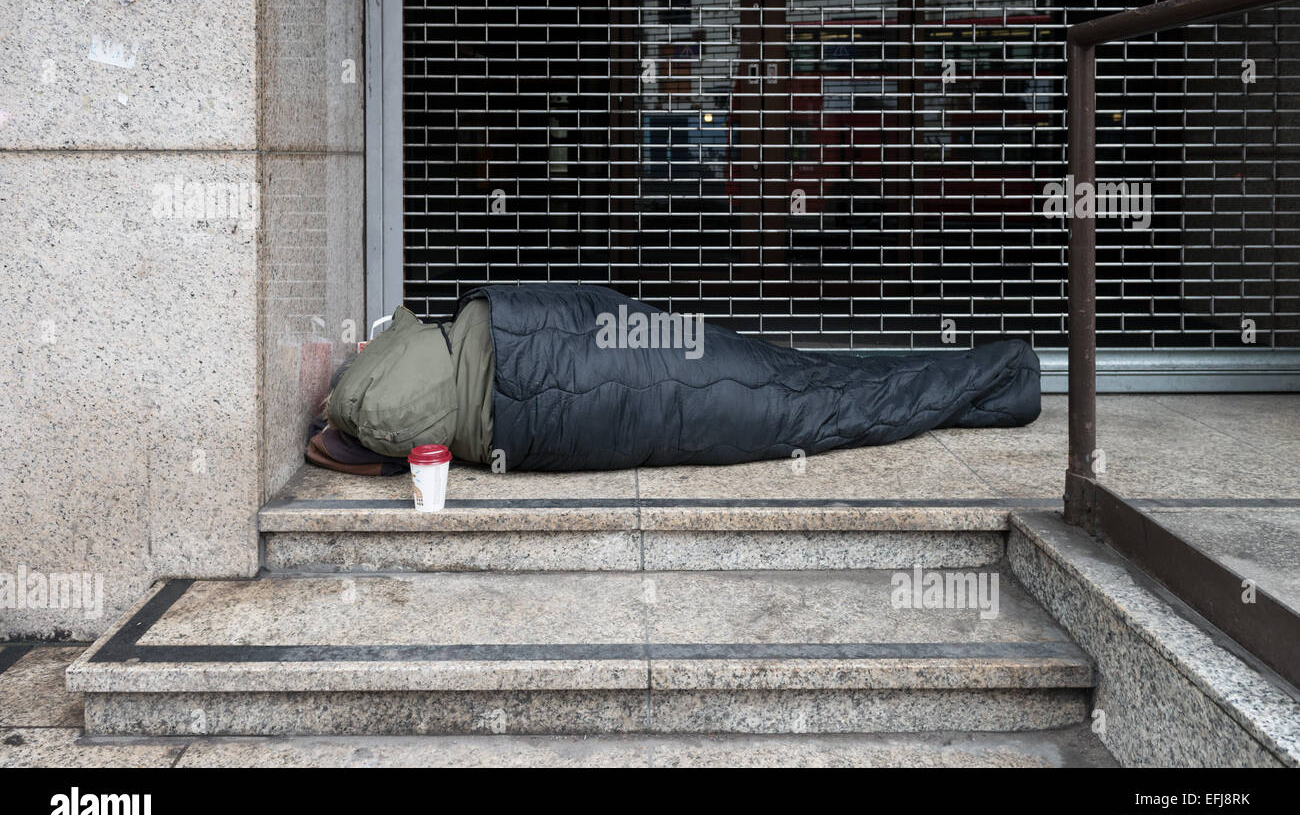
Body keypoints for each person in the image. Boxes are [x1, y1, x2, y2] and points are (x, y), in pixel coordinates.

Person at [314, 283, 1040, 474]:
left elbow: (368, 421)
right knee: (798, 388)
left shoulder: (386, 404)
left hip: (572, 371)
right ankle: (995, 374)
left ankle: (1000, 374)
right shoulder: (405, 349)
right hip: (560, 332)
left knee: (801, 399)